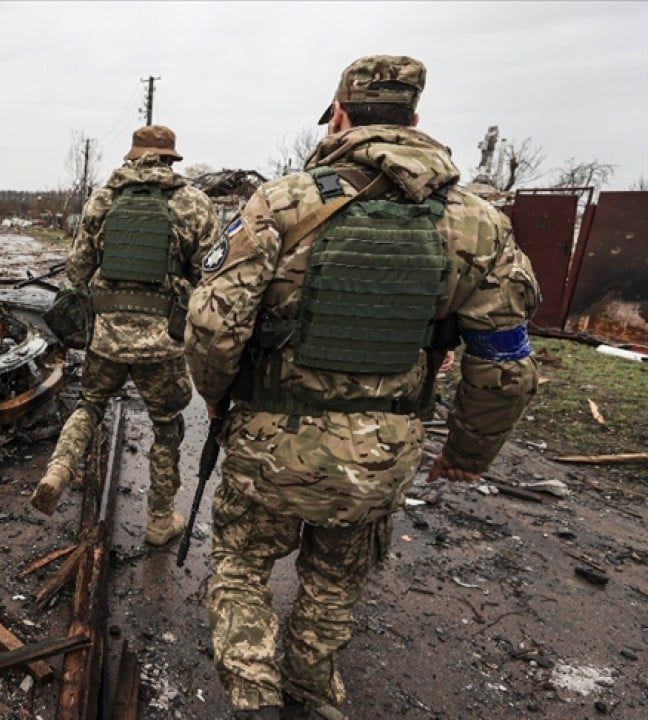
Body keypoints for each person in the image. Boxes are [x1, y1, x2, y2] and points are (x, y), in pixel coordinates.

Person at [183, 55, 539, 719]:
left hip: (269, 446)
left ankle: (253, 694)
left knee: (240, 564)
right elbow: (504, 363)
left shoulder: (283, 201)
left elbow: (212, 323)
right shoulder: (476, 222)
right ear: (415, 119)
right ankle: (314, 685)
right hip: (382, 452)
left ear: (340, 115)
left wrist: (215, 392)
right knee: (336, 576)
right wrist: (467, 452)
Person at [30, 124, 220, 546]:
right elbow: (211, 275)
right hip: (163, 344)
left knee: (90, 405)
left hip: (106, 339)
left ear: (132, 157)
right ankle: (158, 519)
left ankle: (58, 469)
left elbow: (76, 270)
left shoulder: (103, 199)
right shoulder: (192, 203)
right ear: (171, 159)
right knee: (167, 426)